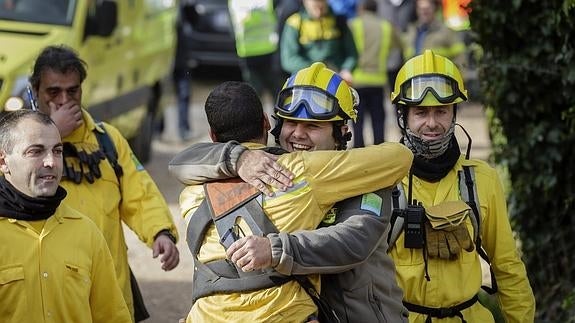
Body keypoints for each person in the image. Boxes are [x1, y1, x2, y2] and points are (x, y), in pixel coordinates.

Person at [169, 63, 412, 322]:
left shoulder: (366, 176)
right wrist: (238, 158)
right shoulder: (269, 170)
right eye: (291, 123)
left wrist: (275, 249)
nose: (298, 134)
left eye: (313, 126)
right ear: (272, 124)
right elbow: (181, 163)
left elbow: (351, 242)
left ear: (341, 132)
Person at [29, 45, 180, 322]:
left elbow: (140, 193)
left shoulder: (108, 139)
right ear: (35, 90)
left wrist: (161, 233)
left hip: (109, 293)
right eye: (53, 92)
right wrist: (51, 134)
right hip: (52, 298)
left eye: (72, 91)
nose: (64, 100)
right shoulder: (21, 145)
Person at [387, 49, 535, 322]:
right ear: (403, 116)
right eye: (420, 112)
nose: (432, 124)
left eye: (441, 111)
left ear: (454, 113)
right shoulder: (381, 181)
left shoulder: (482, 180)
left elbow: (507, 267)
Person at [0, 109, 132, 323]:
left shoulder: (85, 233)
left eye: (58, 150)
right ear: (3, 162)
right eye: (36, 151)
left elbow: (112, 316)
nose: (51, 162)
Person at [348, 0, 403, 147]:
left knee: (357, 121)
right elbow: (400, 45)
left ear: (361, 8)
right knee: (378, 120)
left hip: (357, 81)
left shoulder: (353, 25)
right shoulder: (386, 27)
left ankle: (359, 151)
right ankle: (379, 151)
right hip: (378, 81)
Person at [280, 0, 358, 84]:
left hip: (336, 80)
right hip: (305, 82)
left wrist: (346, 69)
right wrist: (316, 71)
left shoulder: (339, 21)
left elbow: (352, 54)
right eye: (315, 8)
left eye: (321, 8)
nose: (318, 13)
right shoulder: (294, 23)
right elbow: (288, 59)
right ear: (305, 2)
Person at [228, 0, 283, 101]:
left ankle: (260, 116)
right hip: (260, 51)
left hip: (258, 51)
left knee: (260, 94)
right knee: (265, 93)